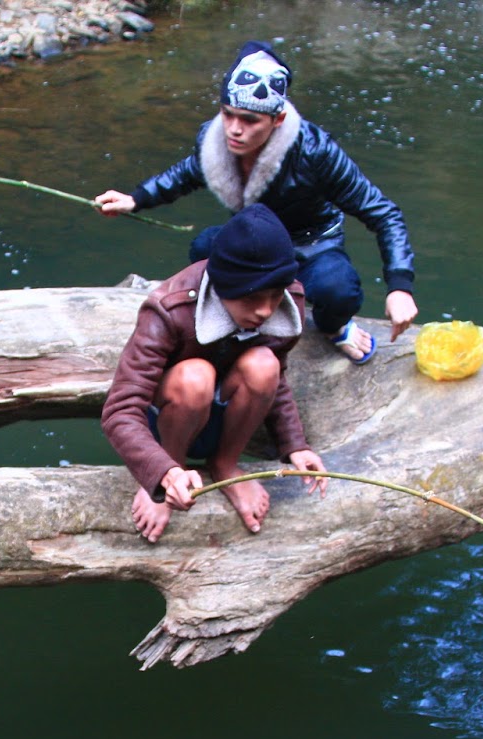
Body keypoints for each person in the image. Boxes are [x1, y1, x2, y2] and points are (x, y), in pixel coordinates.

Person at [94, 40, 417, 363]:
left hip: (311, 243)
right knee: (204, 249)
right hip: (253, 242)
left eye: (249, 120)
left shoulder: (316, 152)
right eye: (228, 115)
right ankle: (239, 315)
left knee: (339, 291)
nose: (234, 130)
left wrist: (400, 286)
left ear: (277, 120)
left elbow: (384, 214)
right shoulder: (215, 139)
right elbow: (187, 173)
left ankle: (332, 327)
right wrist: (135, 199)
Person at [101, 203, 327, 544]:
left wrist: (295, 444)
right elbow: (120, 410)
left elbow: (276, 376)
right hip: (169, 415)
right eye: (252, 298)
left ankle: (225, 463)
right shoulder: (169, 308)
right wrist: (161, 473)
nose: (266, 310)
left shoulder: (286, 300)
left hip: (223, 411)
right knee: (196, 376)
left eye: (274, 295)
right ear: (223, 286)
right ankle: (174, 473)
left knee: (264, 363)